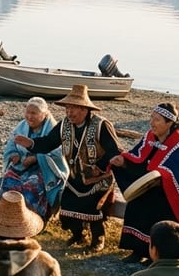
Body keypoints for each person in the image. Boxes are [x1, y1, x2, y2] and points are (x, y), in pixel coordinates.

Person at [16, 84, 122, 252]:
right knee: (66, 204)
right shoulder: (65, 125)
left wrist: (99, 168)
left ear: (85, 109)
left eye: (74, 108)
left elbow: (115, 151)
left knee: (93, 206)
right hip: (74, 178)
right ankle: (78, 235)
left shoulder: (101, 125)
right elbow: (49, 142)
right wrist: (32, 144)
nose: (69, 112)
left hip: (98, 179)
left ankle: (98, 238)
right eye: (67, 108)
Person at [108, 102, 179, 264]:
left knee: (160, 214)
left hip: (167, 194)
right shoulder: (150, 137)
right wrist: (123, 162)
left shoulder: (178, 145)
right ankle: (138, 249)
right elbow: (137, 157)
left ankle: (157, 255)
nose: (152, 123)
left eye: (157, 120)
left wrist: (162, 177)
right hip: (148, 187)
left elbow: (178, 174)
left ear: (169, 123)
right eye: (151, 118)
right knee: (136, 203)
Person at [0, 97, 69, 222]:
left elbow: (58, 152)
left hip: (45, 168)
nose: (29, 116)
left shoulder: (53, 128)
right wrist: (14, 154)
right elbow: (12, 142)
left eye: (34, 113)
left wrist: (36, 157)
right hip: (22, 165)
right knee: (9, 178)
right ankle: (5, 214)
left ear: (44, 114)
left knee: (31, 185)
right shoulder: (22, 126)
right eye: (28, 112)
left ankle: (31, 219)